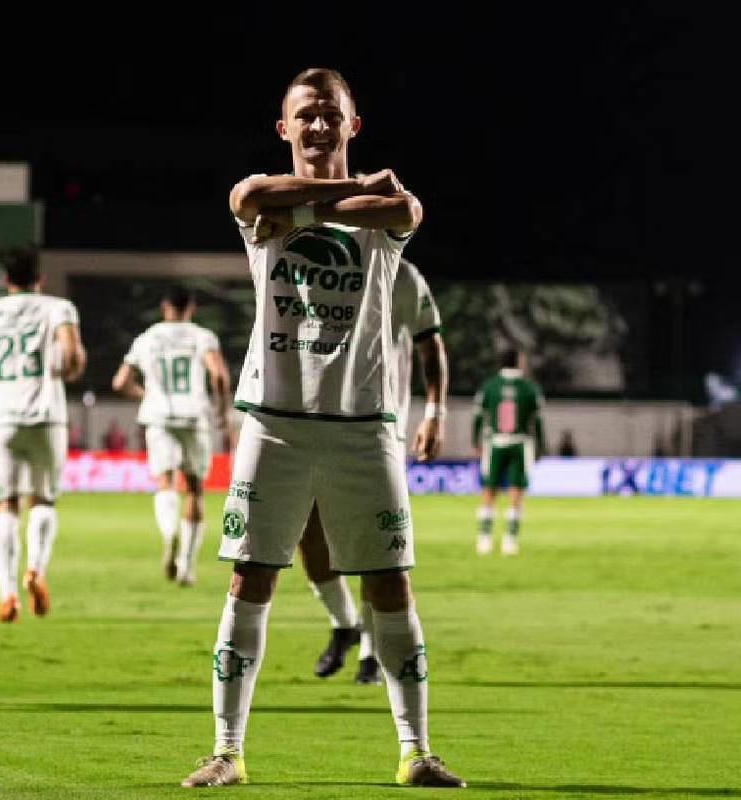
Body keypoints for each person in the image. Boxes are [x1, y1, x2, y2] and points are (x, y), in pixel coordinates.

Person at [180, 68, 465, 789]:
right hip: (273, 423)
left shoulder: (382, 216)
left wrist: (304, 217)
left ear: (351, 124)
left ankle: (415, 751)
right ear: (284, 129)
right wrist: (339, 197)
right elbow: (249, 195)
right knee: (251, 581)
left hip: (362, 427)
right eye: (304, 115)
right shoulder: (270, 203)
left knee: (391, 588)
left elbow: (406, 210)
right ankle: (226, 752)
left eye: (329, 114)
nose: (316, 126)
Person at [300, 258, 448, 686]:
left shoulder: (401, 273)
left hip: (379, 431)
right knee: (308, 539)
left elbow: (430, 342)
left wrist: (435, 412)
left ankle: (369, 652)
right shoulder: (311, 262)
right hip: (311, 425)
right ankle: (345, 623)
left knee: (372, 547)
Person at [0, 248, 86, 622]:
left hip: (1, 420)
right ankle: (36, 571)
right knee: (43, 501)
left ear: (5, 281)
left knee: (5, 505)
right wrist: (68, 367)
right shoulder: (59, 309)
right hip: (47, 418)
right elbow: (73, 358)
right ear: (38, 278)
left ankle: (6, 592)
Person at [111, 286, 231, 585]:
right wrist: (221, 410)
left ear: (165, 307)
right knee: (194, 489)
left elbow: (120, 381)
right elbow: (218, 375)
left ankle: (169, 533)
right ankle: (187, 567)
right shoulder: (201, 337)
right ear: (190, 309)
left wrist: (146, 395)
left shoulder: (147, 338)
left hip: (159, 415)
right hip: (194, 415)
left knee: (165, 482)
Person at [472, 349, 545, 555]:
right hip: (519, 444)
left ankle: (484, 539)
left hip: (494, 443)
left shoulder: (489, 386)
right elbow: (537, 421)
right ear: (519, 361)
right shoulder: (529, 388)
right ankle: (509, 540)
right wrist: (540, 446)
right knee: (515, 492)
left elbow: (478, 417)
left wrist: (475, 442)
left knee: (489, 490)